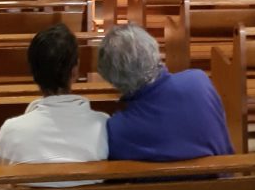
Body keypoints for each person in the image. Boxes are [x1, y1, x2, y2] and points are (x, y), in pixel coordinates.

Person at [97, 24, 232, 161]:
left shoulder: (117, 130)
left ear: (111, 78)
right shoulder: (199, 81)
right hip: (223, 180)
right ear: (155, 51)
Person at [0, 24, 108, 175]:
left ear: (33, 73)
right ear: (75, 71)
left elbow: (0, 183)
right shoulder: (104, 126)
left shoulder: (12, 131)